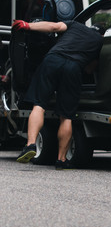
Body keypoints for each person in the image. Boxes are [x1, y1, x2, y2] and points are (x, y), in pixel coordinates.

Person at [13, 19, 104, 169]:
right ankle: (61, 159)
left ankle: (30, 145)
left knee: (39, 105)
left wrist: (28, 25)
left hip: (53, 60)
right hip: (74, 68)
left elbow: (54, 27)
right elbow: (89, 70)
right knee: (66, 116)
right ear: (102, 34)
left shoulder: (75, 25)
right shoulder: (100, 42)